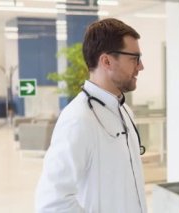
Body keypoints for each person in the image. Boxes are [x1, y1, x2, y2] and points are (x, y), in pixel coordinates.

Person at [35, 18, 147, 212]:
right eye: (134, 58)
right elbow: (52, 202)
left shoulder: (125, 112)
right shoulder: (78, 119)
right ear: (106, 61)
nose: (140, 66)